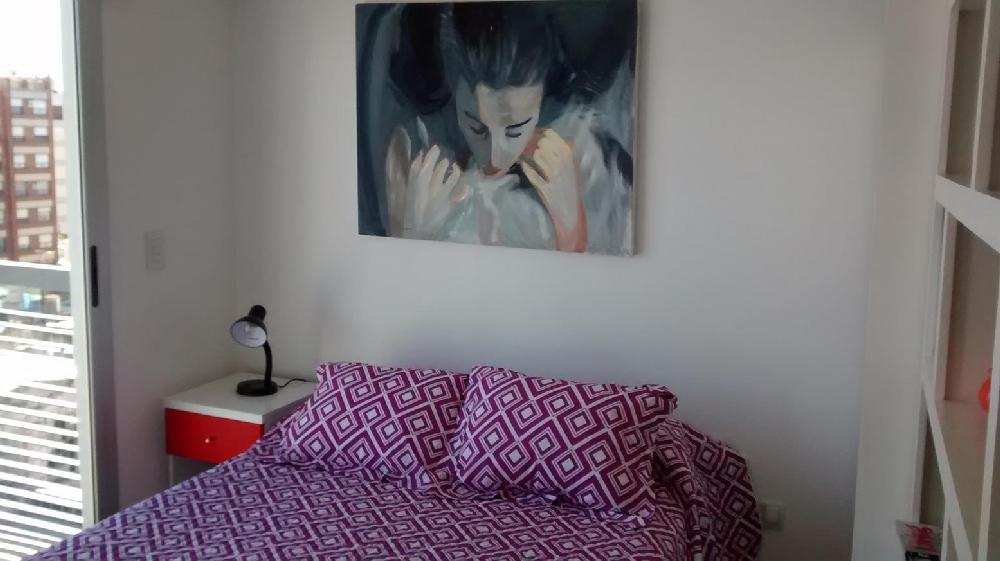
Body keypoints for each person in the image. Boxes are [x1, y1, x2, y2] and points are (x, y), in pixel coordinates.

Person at [371, 2, 635, 254]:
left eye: (515, 130)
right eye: (476, 127)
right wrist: (415, 230)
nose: (494, 156)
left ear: (542, 101)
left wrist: (571, 226)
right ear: (453, 88)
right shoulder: (413, 150)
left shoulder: (586, 155)